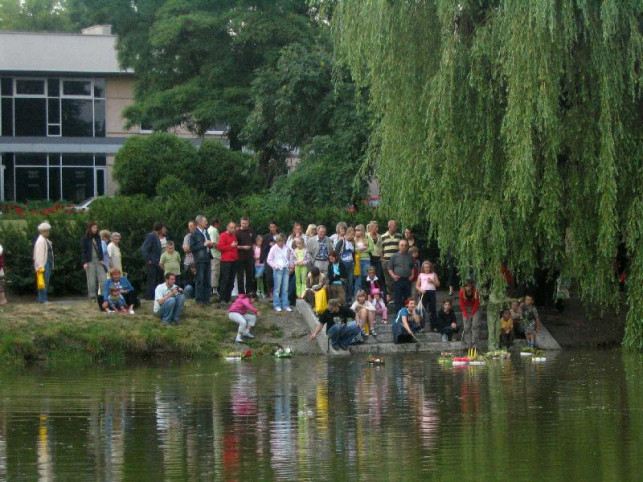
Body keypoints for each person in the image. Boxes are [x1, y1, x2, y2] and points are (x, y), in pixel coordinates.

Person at [266, 234, 295, 312]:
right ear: (277, 241)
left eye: (282, 241)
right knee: (277, 288)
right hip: (278, 269)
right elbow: (269, 260)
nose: (281, 243)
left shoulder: (287, 248)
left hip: (286, 268)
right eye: (279, 241)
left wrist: (291, 265)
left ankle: (285, 305)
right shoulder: (273, 248)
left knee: (285, 288)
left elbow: (291, 257)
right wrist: (275, 266)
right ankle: (277, 305)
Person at [190, 215, 214, 306]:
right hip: (200, 260)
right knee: (200, 279)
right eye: (205, 221)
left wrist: (210, 244)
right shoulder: (194, 234)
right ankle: (199, 300)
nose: (206, 223)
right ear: (199, 222)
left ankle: (206, 299)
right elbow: (192, 248)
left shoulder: (206, 232)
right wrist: (204, 244)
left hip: (207, 258)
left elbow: (208, 244)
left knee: (207, 280)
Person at [388, 239, 414, 315]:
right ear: (398, 246)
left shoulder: (410, 256)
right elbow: (390, 268)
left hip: (407, 280)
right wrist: (393, 276)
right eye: (402, 245)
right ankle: (398, 315)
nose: (404, 247)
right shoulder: (394, 256)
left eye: (405, 245)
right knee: (398, 298)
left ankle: (408, 315)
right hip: (398, 280)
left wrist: (412, 275)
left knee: (407, 298)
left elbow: (412, 267)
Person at [81, 221, 105, 302]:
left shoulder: (98, 237)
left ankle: (103, 295)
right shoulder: (85, 238)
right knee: (91, 280)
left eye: (96, 228)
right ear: (90, 228)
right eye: (94, 227)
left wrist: (102, 259)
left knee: (103, 279)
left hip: (98, 261)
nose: (96, 229)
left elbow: (100, 249)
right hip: (89, 261)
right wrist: (85, 262)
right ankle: (92, 297)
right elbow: (83, 251)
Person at [380, 220, 403, 301]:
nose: (395, 227)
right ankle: (391, 297)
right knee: (388, 281)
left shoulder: (399, 236)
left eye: (396, 226)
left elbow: (401, 248)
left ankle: (397, 297)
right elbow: (381, 249)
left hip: (396, 261)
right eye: (394, 226)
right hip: (386, 261)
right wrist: (382, 259)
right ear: (389, 226)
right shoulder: (383, 236)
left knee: (396, 279)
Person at [141, 222, 163, 300]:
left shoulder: (156, 237)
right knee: (151, 280)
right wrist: (148, 259)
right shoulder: (151, 236)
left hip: (156, 262)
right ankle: (149, 297)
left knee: (156, 279)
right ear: (160, 229)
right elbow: (144, 248)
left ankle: (154, 296)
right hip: (152, 262)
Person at [416, 260, 440, 331]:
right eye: (425, 267)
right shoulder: (421, 275)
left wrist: (432, 281)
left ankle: (434, 326)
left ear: (430, 267)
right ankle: (421, 327)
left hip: (432, 292)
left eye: (428, 267)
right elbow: (417, 286)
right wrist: (420, 290)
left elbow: (438, 284)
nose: (426, 268)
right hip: (424, 293)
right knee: (423, 310)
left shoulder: (433, 274)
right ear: (423, 268)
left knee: (432, 309)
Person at [335, 227, 356, 303]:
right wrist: (340, 263)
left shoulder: (352, 242)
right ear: (347, 234)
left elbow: (353, 253)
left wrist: (354, 262)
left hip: (350, 263)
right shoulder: (341, 242)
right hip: (343, 263)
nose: (353, 237)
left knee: (350, 282)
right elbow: (336, 253)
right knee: (344, 282)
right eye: (352, 235)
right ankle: (344, 298)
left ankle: (349, 298)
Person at [235, 216, 256, 294]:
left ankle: (248, 292)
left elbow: (254, 242)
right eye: (243, 223)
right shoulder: (237, 232)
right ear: (240, 223)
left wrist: (254, 248)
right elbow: (234, 246)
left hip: (250, 257)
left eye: (246, 223)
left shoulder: (251, 231)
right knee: (240, 276)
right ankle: (241, 293)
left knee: (249, 275)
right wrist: (243, 247)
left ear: (248, 223)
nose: (244, 225)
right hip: (240, 257)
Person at [459, 279, 482, 349]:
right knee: (466, 327)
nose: (468, 288)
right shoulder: (462, 292)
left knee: (475, 325)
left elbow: (477, 303)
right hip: (466, 308)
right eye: (466, 286)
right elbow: (461, 304)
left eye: (469, 286)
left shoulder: (475, 291)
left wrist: (472, 313)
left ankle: (475, 345)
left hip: (475, 308)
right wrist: (465, 315)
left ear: (471, 286)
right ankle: (468, 345)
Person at [261, 221, 280, 300]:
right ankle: (270, 293)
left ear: (276, 227)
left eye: (274, 227)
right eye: (271, 227)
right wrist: (269, 245)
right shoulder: (266, 236)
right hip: (268, 259)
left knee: (278, 276)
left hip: (278, 259)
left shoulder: (280, 236)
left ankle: (277, 293)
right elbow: (262, 248)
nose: (272, 229)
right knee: (269, 276)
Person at [354, 224, 374, 291]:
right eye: (356, 230)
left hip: (366, 260)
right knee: (358, 279)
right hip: (357, 261)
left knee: (366, 278)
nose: (357, 232)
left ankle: (367, 294)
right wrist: (361, 249)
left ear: (362, 231)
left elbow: (371, 248)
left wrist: (364, 250)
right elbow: (353, 250)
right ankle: (357, 296)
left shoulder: (367, 238)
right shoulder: (354, 239)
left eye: (358, 230)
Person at [207, 219, 222, 296]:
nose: (220, 226)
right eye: (219, 224)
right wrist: (222, 246)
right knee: (215, 272)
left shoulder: (209, 229)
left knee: (213, 272)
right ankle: (214, 290)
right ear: (216, 223)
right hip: (215, 255)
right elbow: (213, 243)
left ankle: (213, 290)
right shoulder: (213, 231)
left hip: (213, 254)